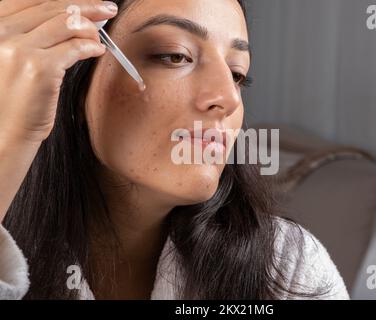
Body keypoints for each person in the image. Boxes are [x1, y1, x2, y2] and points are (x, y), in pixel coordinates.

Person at [0, 0, 349, 300]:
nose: (227, 99)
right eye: (174, 56)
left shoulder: (286, 268)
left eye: (237, 74)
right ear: (70, 83)